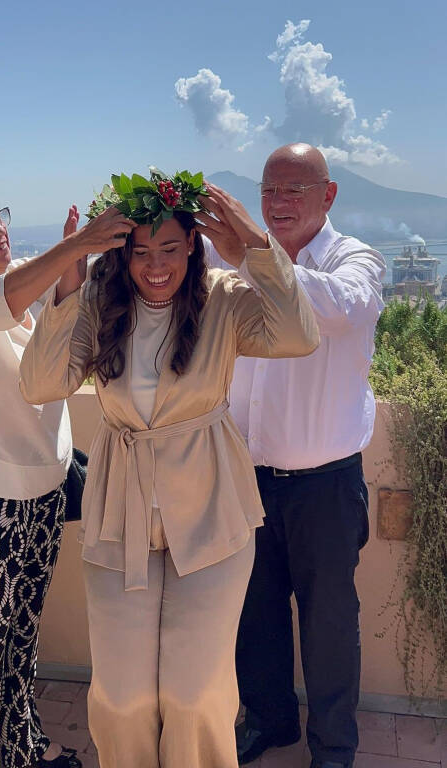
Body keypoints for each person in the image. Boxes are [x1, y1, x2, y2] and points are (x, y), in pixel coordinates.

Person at [19, 168, 320, 768]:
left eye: (170, 249)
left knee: (194, 693)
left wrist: (256, 247)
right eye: (139, 252)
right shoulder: (100, 306)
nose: (156, 266)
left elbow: (298, 336)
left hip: (211, 511)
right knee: (123, 696)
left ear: (192, 247)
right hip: (119, 518)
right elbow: (40, 383)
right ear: (121, 255)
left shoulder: (223, 300)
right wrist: (71, 275)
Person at [0, 179, 133, 768]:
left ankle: (26, 748)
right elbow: (4, 298)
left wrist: (74, 259)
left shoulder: (21, 308)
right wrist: (78, 242)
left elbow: (58, 326)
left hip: (39, 496)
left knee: (17, 643)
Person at [205, 143, 386, 768]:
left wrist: (255, 254)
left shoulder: (355, 259)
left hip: (325, 486)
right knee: (254, 613)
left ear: (328, 195)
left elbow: (337, 310)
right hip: (247, 476)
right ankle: (270, 720)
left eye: (294, 190)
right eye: (268, 190)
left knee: (330, 622)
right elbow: (165, 267)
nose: (278, 203)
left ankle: (334, 748)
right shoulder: (236, 256)